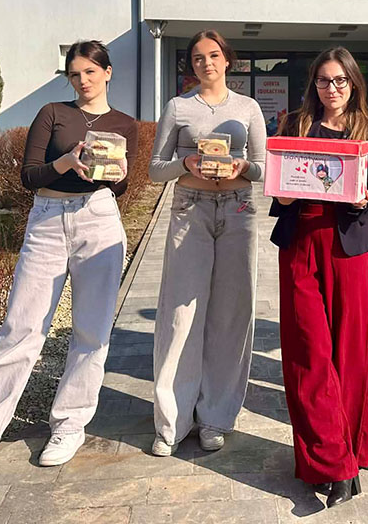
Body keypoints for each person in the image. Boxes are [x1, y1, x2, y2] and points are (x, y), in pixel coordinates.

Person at [0, 40, 137, 484]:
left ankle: (70, 424)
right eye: (74, 74)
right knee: (20, 329)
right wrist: (67, 162)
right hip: (48, 220)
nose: (82, 80)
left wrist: (116, 176)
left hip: (99, 221)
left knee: (91, 332)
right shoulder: (52, 113)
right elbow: (28, 175)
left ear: (108, 72)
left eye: (90, 72)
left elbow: (118, 186)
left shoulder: (124, 124)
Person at [270, 46, 368, 508]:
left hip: (347, 249)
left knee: (350, 357)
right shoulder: (293, 125)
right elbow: (279, 192)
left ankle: (349, 454)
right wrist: (284, 195)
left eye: (339, 80)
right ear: (313, 84)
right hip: (301, 243)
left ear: (353, 83)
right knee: (308, 354)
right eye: (323, 80)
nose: (331, 88)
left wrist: (364, 202)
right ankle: (333, 463)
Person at [148, 30, 267, 456]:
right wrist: (186, 162)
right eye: (198, 58)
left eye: (214, 55)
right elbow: (155, 169)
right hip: (190, 210)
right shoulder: (178, 107)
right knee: (180, 316)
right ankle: (173, 421)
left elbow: (263, 169)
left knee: (230, 315)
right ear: (191, 64)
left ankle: (216, 415)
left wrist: (241, 167)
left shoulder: (248, 108)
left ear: (227, 60)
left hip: (238, 211)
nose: (206, 63)